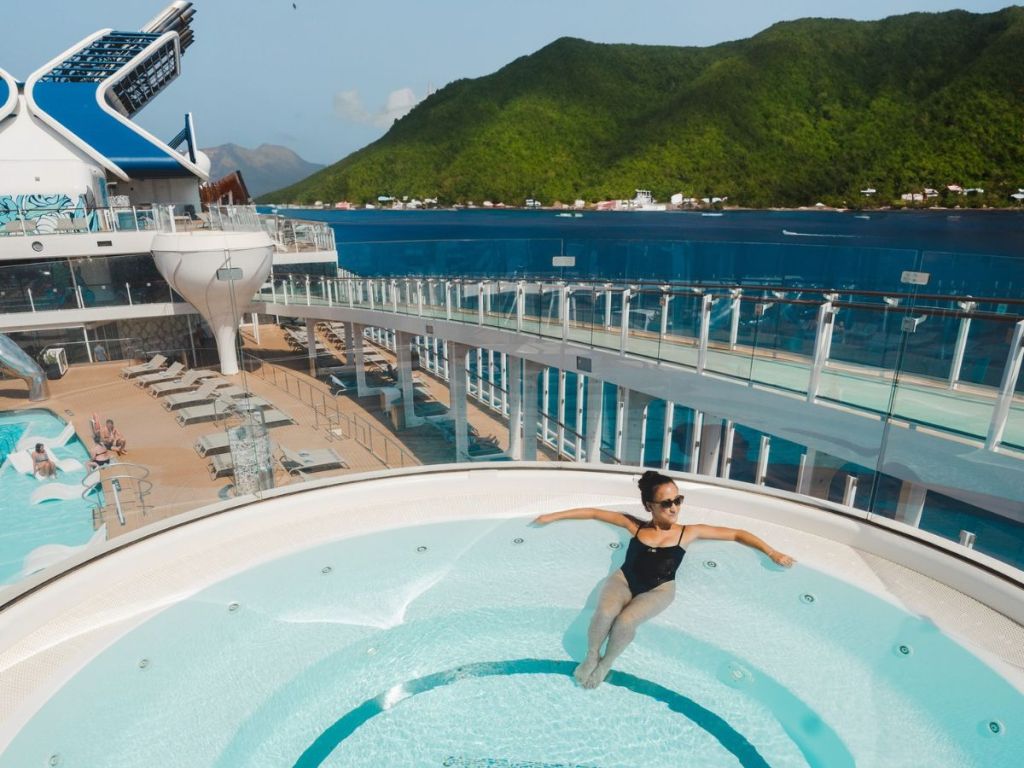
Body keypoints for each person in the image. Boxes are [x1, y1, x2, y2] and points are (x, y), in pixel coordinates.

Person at [532, 470, 794, 689]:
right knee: (605, 613)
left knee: (624, 622)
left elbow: (736, 534)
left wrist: (772, 552)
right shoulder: (636, 526)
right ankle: (591, 656)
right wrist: (551, 517)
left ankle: (606, 663)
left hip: (659, 589)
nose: (674, 508)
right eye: (666, 503)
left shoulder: (688, 532)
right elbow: (594, 513)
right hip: (624, 579)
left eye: (678, 500)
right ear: (649, 506)